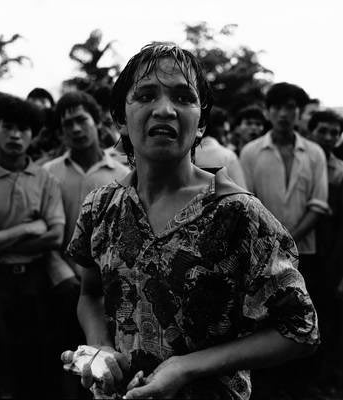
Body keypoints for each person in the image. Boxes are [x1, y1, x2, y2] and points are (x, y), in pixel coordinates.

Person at [62, 43, 318, 400]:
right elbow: (89, 294)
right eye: (147, 95)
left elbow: (300, 329)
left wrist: (187, 366)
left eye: (183, 98)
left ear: (201, 124)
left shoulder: (237, 213)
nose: (164, 109)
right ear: (120, 117)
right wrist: (100, 347)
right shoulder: (100, 207)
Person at [240, 82, 329, 397]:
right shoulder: (250, 152)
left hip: (307, 252)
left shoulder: (314, 152)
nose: (283, 113)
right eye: (277, 107)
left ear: (299, 112)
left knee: (306, 320)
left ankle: (303, 385)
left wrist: (289, 238)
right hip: (262, 254)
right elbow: (246, 204)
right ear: (267, 111)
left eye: (291, 107)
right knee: (267, 322)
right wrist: (274, 241)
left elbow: (319, 204)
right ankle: (269, 387)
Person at [43, 90, 129, 398]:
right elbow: (47, 233)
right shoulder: (48, 173)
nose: (76, 129)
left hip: (110, 292)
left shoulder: (123, 174)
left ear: (97, 122)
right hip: (63, 286)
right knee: (68, 369)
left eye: (82, 120)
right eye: (68, 125)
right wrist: (67, 276)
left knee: (108, 371)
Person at [0, 94, 65, 399]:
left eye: (24, 129)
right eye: (8, 127)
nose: (16, 135)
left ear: (34, 134)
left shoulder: (45, 179)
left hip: (36, 280)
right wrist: (29, 228)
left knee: (38, 363)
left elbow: (55, 236)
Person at [308, 110, 343, 391]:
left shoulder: (340, 171)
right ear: (311, 132)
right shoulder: (302, 162)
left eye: (335, 133)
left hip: (330, 254)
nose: (329, 138)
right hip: (304, 249)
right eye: (323, 131)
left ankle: (322, 377)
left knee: (327, 318)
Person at [195, 105, 246, 188]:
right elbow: (243, 193)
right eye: (226, 133)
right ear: (220, 129)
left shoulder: (186, 153)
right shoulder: (228, 156)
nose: (228, 137)